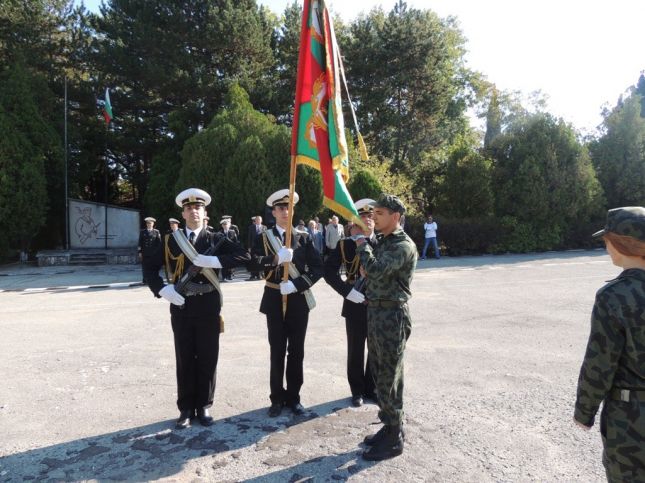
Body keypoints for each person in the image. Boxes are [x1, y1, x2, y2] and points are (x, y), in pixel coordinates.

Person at [142, 188, 250, 429]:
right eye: (189, 208)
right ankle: (185, 408)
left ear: (205, 212)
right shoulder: (171, 240)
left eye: (198, 207)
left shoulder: (215, 239)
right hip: (180, 305)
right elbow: (149, 267)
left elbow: (245, 256)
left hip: (209, 305)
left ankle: (204, 405)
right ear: (183, 213)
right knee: (184, 357)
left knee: (208, 356)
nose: (194, 211)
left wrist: (215, 261)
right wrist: (162, 290)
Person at [574, 206, 645, 482]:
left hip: (632, 419)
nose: (606, 247)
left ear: (621, 243)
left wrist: (584, 412)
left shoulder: (613, 296)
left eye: (608, 240)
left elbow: (600, 363)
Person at [249, 189, 323, 417]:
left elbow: (318, 268)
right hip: (274, 298)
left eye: (288, 207)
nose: (285, 212)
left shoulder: (304, 237)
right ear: (273, 212)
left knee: (297, 351)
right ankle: (276, 398)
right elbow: (252, 264)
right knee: (277, 350)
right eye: (280, 208)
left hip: (298, 300)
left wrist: (297, 284)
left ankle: (294, 397)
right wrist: (275, 259)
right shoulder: (263, 237)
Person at [355, 193, 417, 461]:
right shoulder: (384, 241)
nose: (374, 218)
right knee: (379, 372)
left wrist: (361, 243)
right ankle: (389, 425)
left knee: (389, 377)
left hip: (392, 315)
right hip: (377, 312)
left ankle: (394, 438)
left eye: (379, 214)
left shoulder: (403, 245)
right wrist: (368, 259)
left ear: (395, 217)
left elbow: (375, 270)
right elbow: (368, 271)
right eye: (373, 213)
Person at [324, 199, 377, 407]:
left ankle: (372, 388)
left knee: (376, 349)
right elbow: (329, 272)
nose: (368, 220)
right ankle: (357, 390)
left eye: (371, 216)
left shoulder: (384, 242)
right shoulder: (345, 244)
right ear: (356, 220)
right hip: (355, 301)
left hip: (378, 302)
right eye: (363, 217)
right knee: (355, 349)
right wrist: (347, 292)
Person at [138, 217, 161, 284]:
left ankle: (154, 280)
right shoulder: (142, 232)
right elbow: (140, 243)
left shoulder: (156, 232)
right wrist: (140, 252)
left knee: (154, 267)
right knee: (145, 267)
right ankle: (145, 280)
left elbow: (159, 243)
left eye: (150, 223)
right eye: (148, 223)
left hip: (154, 253)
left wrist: (158, 253)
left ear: (153, 224)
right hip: (145, 253)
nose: (149, 224)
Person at [247, 216, 267, 280]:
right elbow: (249, 237)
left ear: (261, 221)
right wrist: (249, 247)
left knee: (261, 260)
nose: (258, 221)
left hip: (261, 247)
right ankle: (253, 275)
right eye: (257, 220)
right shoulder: (251, 227)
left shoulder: (264, 227)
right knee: (253, 260)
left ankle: (260, 275)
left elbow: (266, 237)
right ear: (255, 221)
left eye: (259, 220)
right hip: (253, 247)